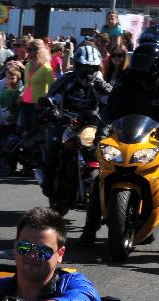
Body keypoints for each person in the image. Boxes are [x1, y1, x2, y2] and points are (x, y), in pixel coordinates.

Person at [82, 42, 159, 247]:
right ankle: (89, 231)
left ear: (157, 65)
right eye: (137, 64)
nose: (140, 71)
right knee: (100, 176)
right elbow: (111, 109)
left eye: (144, 66)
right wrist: (101, 133)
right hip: (127, 134)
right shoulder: (127, 79)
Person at [39, 44, 110, 200]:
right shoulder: (67, 79)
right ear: (77, 66)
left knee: (105, 149)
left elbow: (112, 99)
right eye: (85, 68)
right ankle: (48, 182)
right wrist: (51, 107)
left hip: (90, 124)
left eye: (92, 68)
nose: (88, 72)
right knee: (54, 143)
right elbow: (53, 94)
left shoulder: (99, 82)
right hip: (66, 121)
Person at [18, 39, 55, 132]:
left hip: (37, 106)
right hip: (24, 103)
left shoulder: (46, 68)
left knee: (34, 132)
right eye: (27, 49)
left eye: (30, 49)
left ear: (38, 51)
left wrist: (43, 102)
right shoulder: (27, 66)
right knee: (24, 131)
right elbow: (27, 84)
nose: (27, 51)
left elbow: (53, 88)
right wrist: (22, 94)